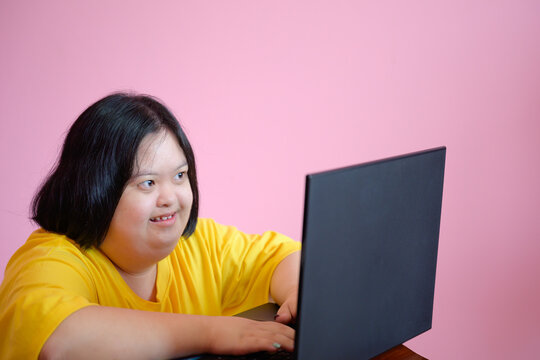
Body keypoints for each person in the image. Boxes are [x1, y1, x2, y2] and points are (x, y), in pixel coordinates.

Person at [0, 93, 301, 359]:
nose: (170, 198)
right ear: (96, 189)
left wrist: (297, 293)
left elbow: (284, 258)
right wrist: (212, 333)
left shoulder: (199, 243)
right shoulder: (49, 259)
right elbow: (62, 341)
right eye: (148, 183)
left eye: (180, 176)